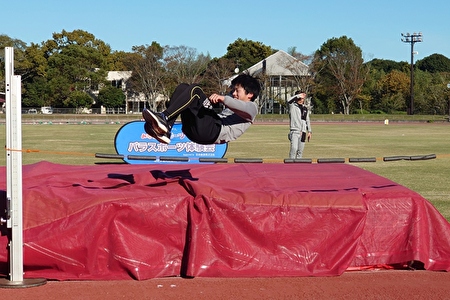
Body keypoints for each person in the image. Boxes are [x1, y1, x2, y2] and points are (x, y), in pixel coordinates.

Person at [142, 74, 261, 145]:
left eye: (237, 91)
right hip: (195, 130)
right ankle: (166, 128)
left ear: (249, 94)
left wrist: (223, 98)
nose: (234, 93)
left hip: (213, 131)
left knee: (196, 90)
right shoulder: (233, 98)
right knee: (183, 87)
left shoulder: (252, 108)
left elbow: (239, 106)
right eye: (233, 90)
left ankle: (164, 117)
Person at [287, 91, 312, 158]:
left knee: (300, 151)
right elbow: (288, 100)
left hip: (303, 132)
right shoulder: (292, 106)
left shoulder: (305, 108)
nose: (301, 100)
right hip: (295, 131)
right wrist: (298, 95)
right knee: (294, 149)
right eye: (300, 98)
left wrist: (309, 131)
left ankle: (298, 166)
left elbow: (307, 120)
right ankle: (291, 165)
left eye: (302, 98)